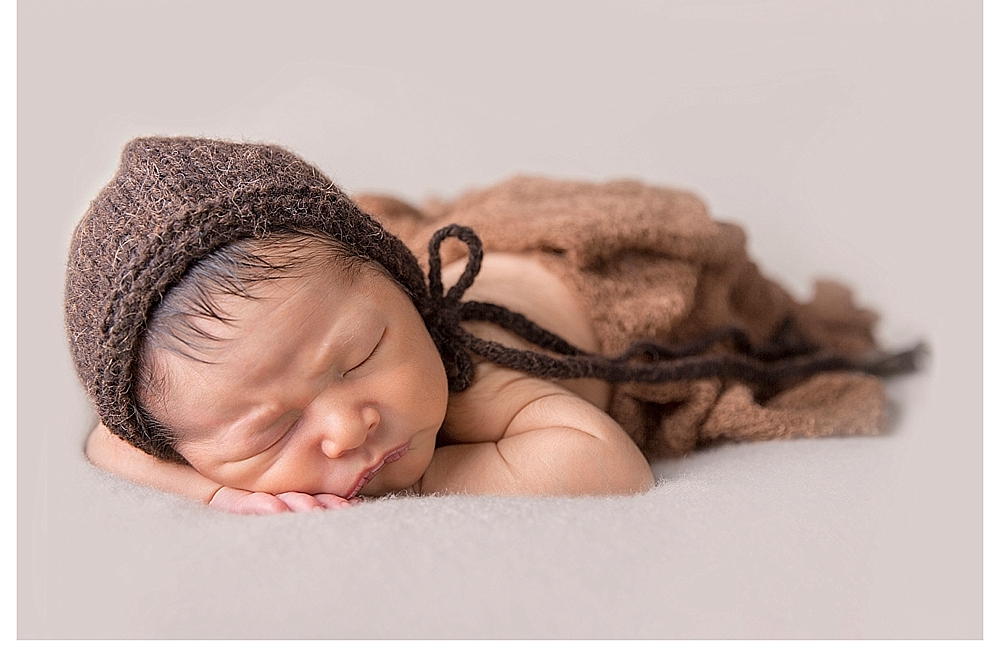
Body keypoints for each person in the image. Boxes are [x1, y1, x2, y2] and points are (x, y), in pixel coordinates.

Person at [65, 137, 922, 514]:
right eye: (271, 428)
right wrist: (213, 490)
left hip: (587, 284)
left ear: (403, 296)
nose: (346, 425)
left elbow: (602, 467)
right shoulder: (182, 413)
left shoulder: (466, 384)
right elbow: (112, 441)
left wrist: (406, 484)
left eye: (361, 356)